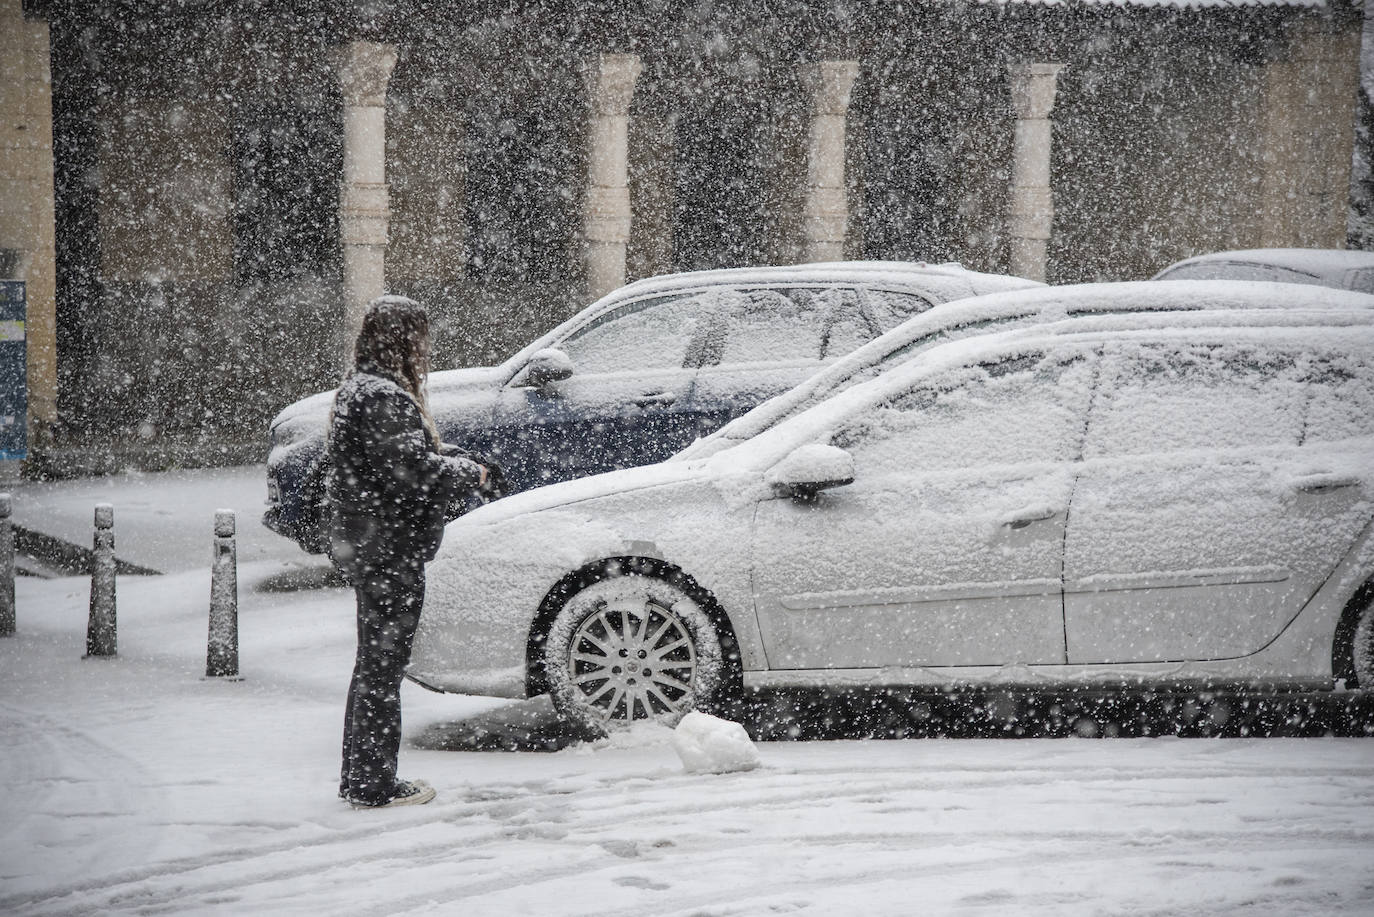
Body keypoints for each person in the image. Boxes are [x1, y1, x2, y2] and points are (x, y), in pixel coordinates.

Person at [326, 295, 486, 808]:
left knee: (372, 666)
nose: (426, 350)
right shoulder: (384, 397)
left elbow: (400, 459)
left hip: (371, 545)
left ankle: (360, 778)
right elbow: (409, 472)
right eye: (421, 339)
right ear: (404, 342)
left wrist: (450, 458)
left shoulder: (361, 390)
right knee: (381, 670)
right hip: (389, 549)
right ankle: (374, 785)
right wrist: (470, 474)